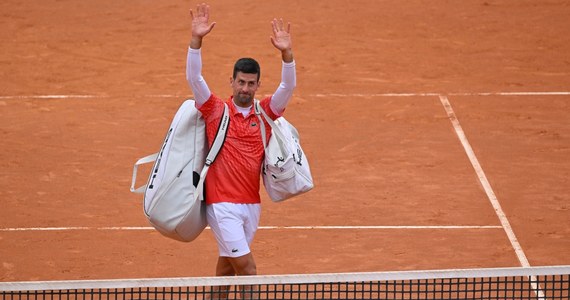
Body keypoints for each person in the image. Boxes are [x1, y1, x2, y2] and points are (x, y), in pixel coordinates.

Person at [185, 1, 296, 290]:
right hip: (222, 205)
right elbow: (194, 78)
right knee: (247, 269)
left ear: (258, 85)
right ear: (231, 82)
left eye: (251, 83)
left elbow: (288, 89)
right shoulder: (214, 110)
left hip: (251, 205)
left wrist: (287, 55)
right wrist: (196, 41)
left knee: (225, 273)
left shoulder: (266, 114)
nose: (245, 88)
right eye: (241, 82)